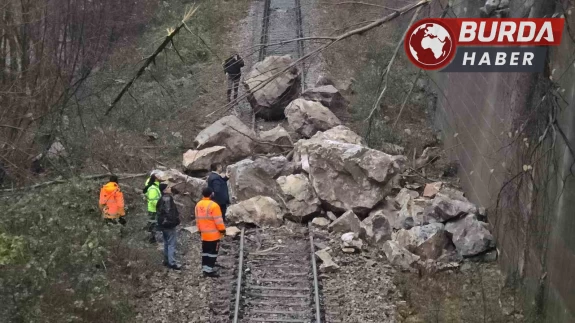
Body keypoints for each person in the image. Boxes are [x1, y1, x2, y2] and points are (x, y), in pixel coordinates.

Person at [195, 187, 226, 277]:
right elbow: (218, 221)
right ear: (211, 194)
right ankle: (209, 270)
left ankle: (205, 267)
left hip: (204, 234)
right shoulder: (214, 206)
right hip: (213, 235)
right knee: (212, 253)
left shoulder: (198, 205)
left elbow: (197, 219)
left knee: (205, 251)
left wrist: (199, 230)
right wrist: (223, 231)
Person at [156, 184, 182, 270]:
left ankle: (166, 260)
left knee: (166, 243)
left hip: (162, 224)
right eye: (167, 187)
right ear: (164, 190)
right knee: (171, 243)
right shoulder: (167, 199)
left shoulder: (161, 199)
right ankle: (172, 263)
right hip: (168, 225)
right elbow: (169, 212)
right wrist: (174, 221)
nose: (170, 188)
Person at [143, 174, 161, 243]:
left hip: (153, 208)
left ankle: (151, 238)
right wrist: (160, 205)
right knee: (152, 224)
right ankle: (151, 239)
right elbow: (153, 200)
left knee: (152, 223)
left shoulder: (154, 186)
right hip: (153, 209)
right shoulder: (153, 188)